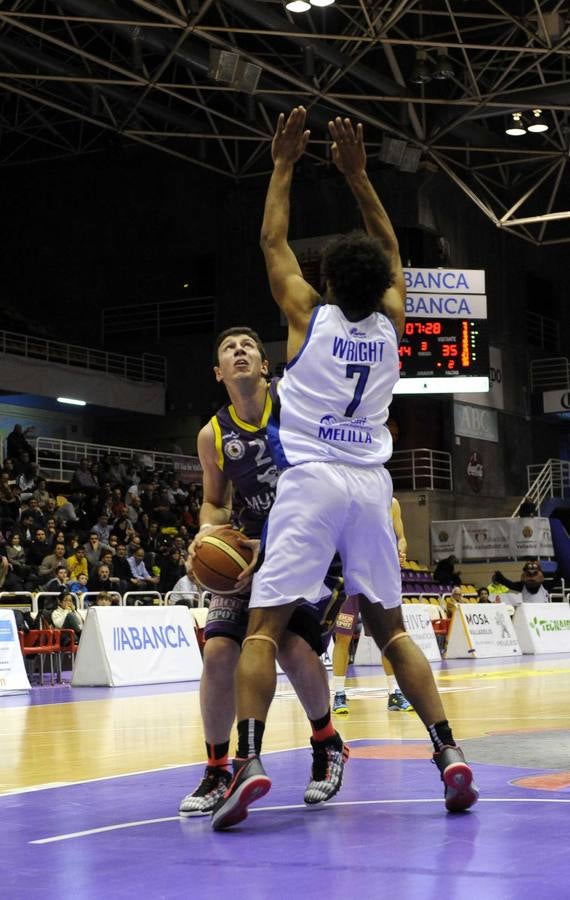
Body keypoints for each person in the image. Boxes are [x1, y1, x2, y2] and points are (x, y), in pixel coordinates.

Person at [211, 107, 478, 831]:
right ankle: (448, 752)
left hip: (310, 483)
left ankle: (253, 761)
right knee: (392, 630)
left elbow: (271, 239)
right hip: (371, 486)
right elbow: (391, 251)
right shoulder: (392, 323)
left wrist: (284, 164)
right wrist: (362, 178)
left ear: (325, 280)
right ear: (382, 283)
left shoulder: (306, 316)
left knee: (262, 630)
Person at [178, 326, 346, 818]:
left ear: (264, 365)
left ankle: (327, 743)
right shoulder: (212, 434)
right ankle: (217, 768)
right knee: (218, 654)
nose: (239, 352)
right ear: (219, 372)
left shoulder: (296, 411)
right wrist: (206, 536)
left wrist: (273, 542)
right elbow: (213, 502)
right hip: (248, 555)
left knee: (292, 648)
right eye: (228, 348)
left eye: (248, 346)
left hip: (309, 549)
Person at [332, 496, 413, 714]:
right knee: (343, 636)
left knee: (386, 638)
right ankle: (339, 694)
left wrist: (401, 551)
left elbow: (401, 537)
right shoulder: (348, 500)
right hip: (351, 577)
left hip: (378, 579)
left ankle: (394, 693)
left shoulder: (392, 503)